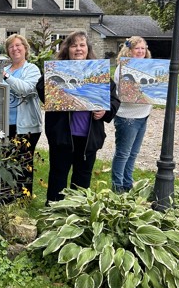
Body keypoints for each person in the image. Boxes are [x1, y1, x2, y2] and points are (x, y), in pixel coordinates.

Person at [36, 31, 120, 203]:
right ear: (67, 49)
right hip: (62, 136)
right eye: (74, 45)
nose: (78, 49)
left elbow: (114, 100)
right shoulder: (57, 69)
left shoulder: (98, 72)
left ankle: (76, 212)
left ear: (88, 49)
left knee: (82, 179)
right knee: (58, 176)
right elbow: (41, 89)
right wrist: (54, 86)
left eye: (82, 45)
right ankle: (53, 212)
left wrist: (105, 111)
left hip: (89, 137)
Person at [2, 34, 42, 201]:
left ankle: (23, 199)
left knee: (24, 163)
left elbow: (26, 89)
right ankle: (5, 198)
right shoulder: (4, 70)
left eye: (18, 45)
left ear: (25, 49)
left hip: (26, 125)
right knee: (5, 162)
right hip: (5, 124)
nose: (15, 49)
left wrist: (6, 77)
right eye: (11, 46)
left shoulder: (32, 69)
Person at [111, 36, 152, 193]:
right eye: (137, 48)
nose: (141, 51)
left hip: (143, 115)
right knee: (123, 153)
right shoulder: (122, 69)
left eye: (143, 48)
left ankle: (127, 184)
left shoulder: (149, 67)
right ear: (129, 50)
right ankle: (117, 186)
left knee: (133, 153)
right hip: (127, 116)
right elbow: (124, 96)